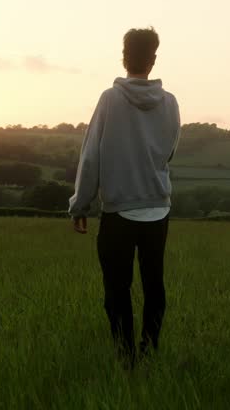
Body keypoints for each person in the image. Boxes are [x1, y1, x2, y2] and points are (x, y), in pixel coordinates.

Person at [68, 27, 180, 367]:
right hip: (158, 210)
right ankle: (150, 352)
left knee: (117, 290)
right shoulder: (171, 102)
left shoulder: (110, 99)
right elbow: (169, 151)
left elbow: (90, 157)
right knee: (154, 286)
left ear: (124, 56)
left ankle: (126, 357)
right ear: (154, 59)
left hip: (119, 211)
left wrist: (80, 204)